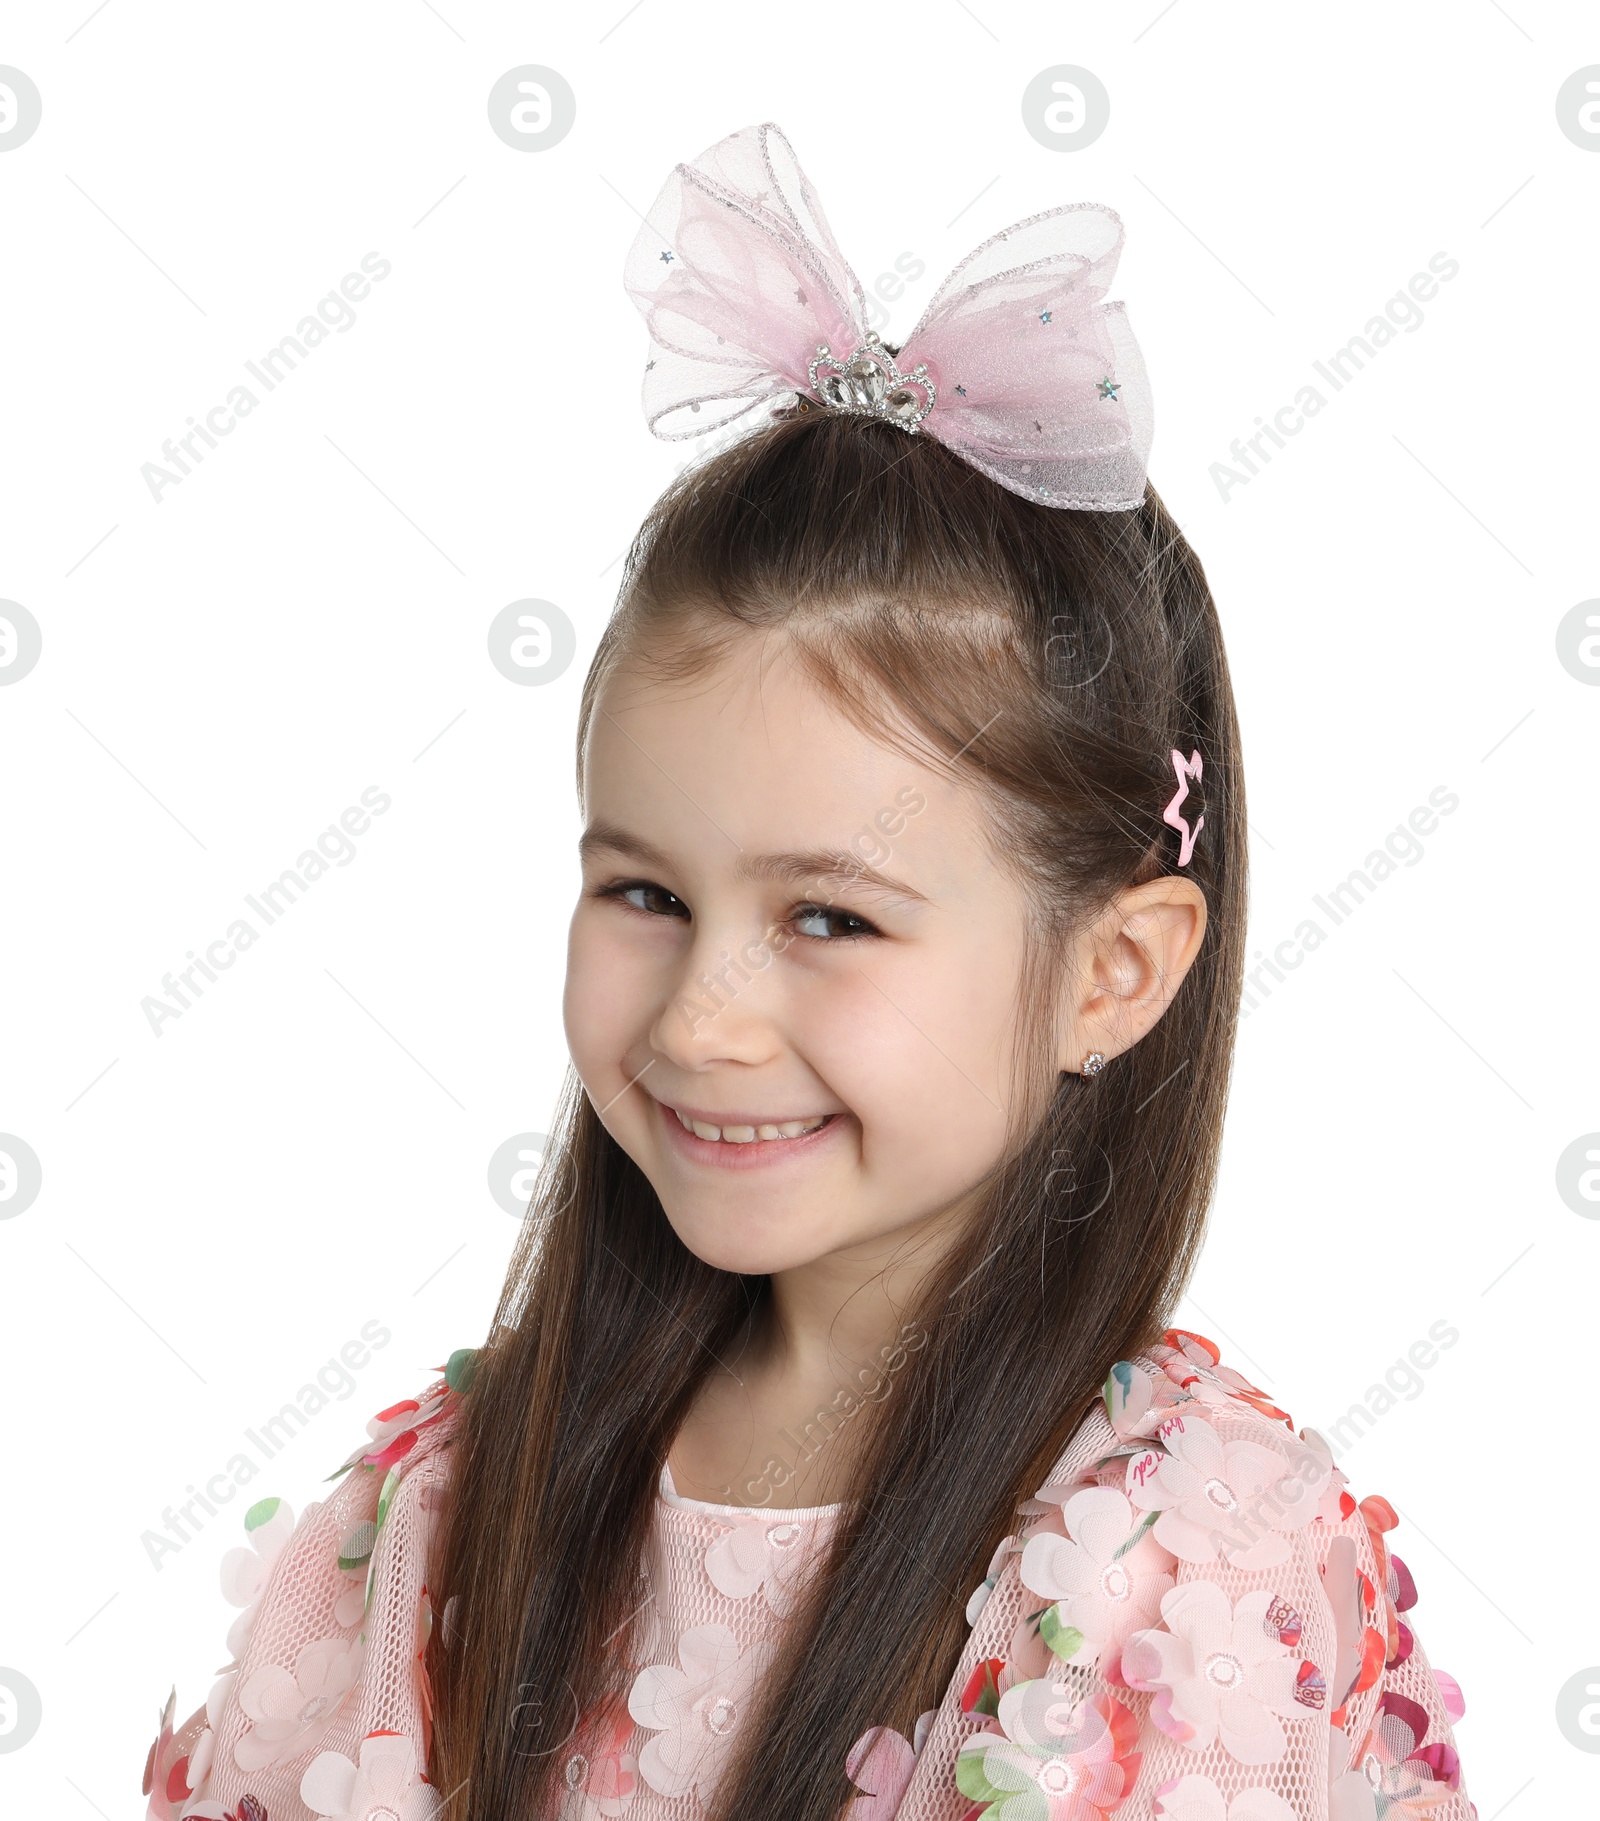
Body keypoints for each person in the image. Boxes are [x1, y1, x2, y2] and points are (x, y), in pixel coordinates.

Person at [143, 123, 1472, 1821]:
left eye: (830, 918)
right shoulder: (427, 1528)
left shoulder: (1183, 1563)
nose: (702, 1016)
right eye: (642, 890)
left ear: (1115, 970)